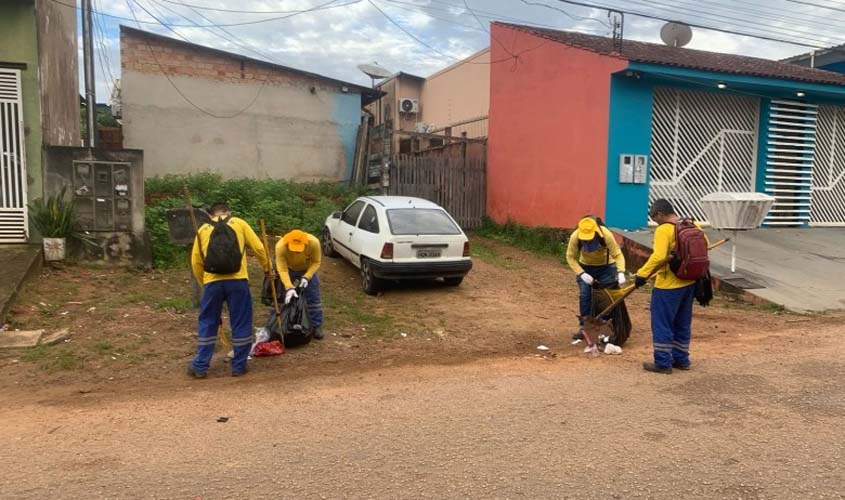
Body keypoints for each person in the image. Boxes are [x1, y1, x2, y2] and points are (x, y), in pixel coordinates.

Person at [188, 202, 270, 379]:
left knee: (208, 322)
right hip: (237, 282)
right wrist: (267, 268)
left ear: (211, 215)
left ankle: (200, 366)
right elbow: (258, 248)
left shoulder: (203, 229)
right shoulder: (239, 223)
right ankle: (239, 366)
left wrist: (205, 283)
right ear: (228, 212)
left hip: (212, 283)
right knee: (241, 322)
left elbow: (195, 261)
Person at [634, 199, 701, 374]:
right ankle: (682, 359)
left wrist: (642, 274)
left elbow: (658, 257)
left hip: (668, 286)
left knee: (662, 323)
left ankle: (663, 363)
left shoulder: (664, 230)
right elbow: (704, 247)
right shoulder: (692, 225)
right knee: (682, 323)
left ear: (661, 214)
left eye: (653, 217)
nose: (654, 221)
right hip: (689, 282)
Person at [566, 216, 626, 340]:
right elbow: (570, 257)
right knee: (585, 296)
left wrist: (621, 272)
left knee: (606, 298)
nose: (587, 243)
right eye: (585, 241)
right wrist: (581, 273)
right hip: (586, 267)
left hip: (606, 267)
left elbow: (617, 254)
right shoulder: (575, 236)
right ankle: (585, 328)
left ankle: (604, 326)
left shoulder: (606, 235)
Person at [275, 229, 324, 340]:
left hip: (307, 268)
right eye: (293, 249)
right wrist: (289, 287)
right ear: (287, 243)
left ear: (305, 243)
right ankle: (280, 323)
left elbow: (316, 262)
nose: (296, 252)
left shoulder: (314, 243)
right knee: (281, 297)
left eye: (299, 249)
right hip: (289, 268)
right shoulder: (280, 247)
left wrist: (307, 276)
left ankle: (316, 326)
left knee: (313, 297)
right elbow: (282, 269)